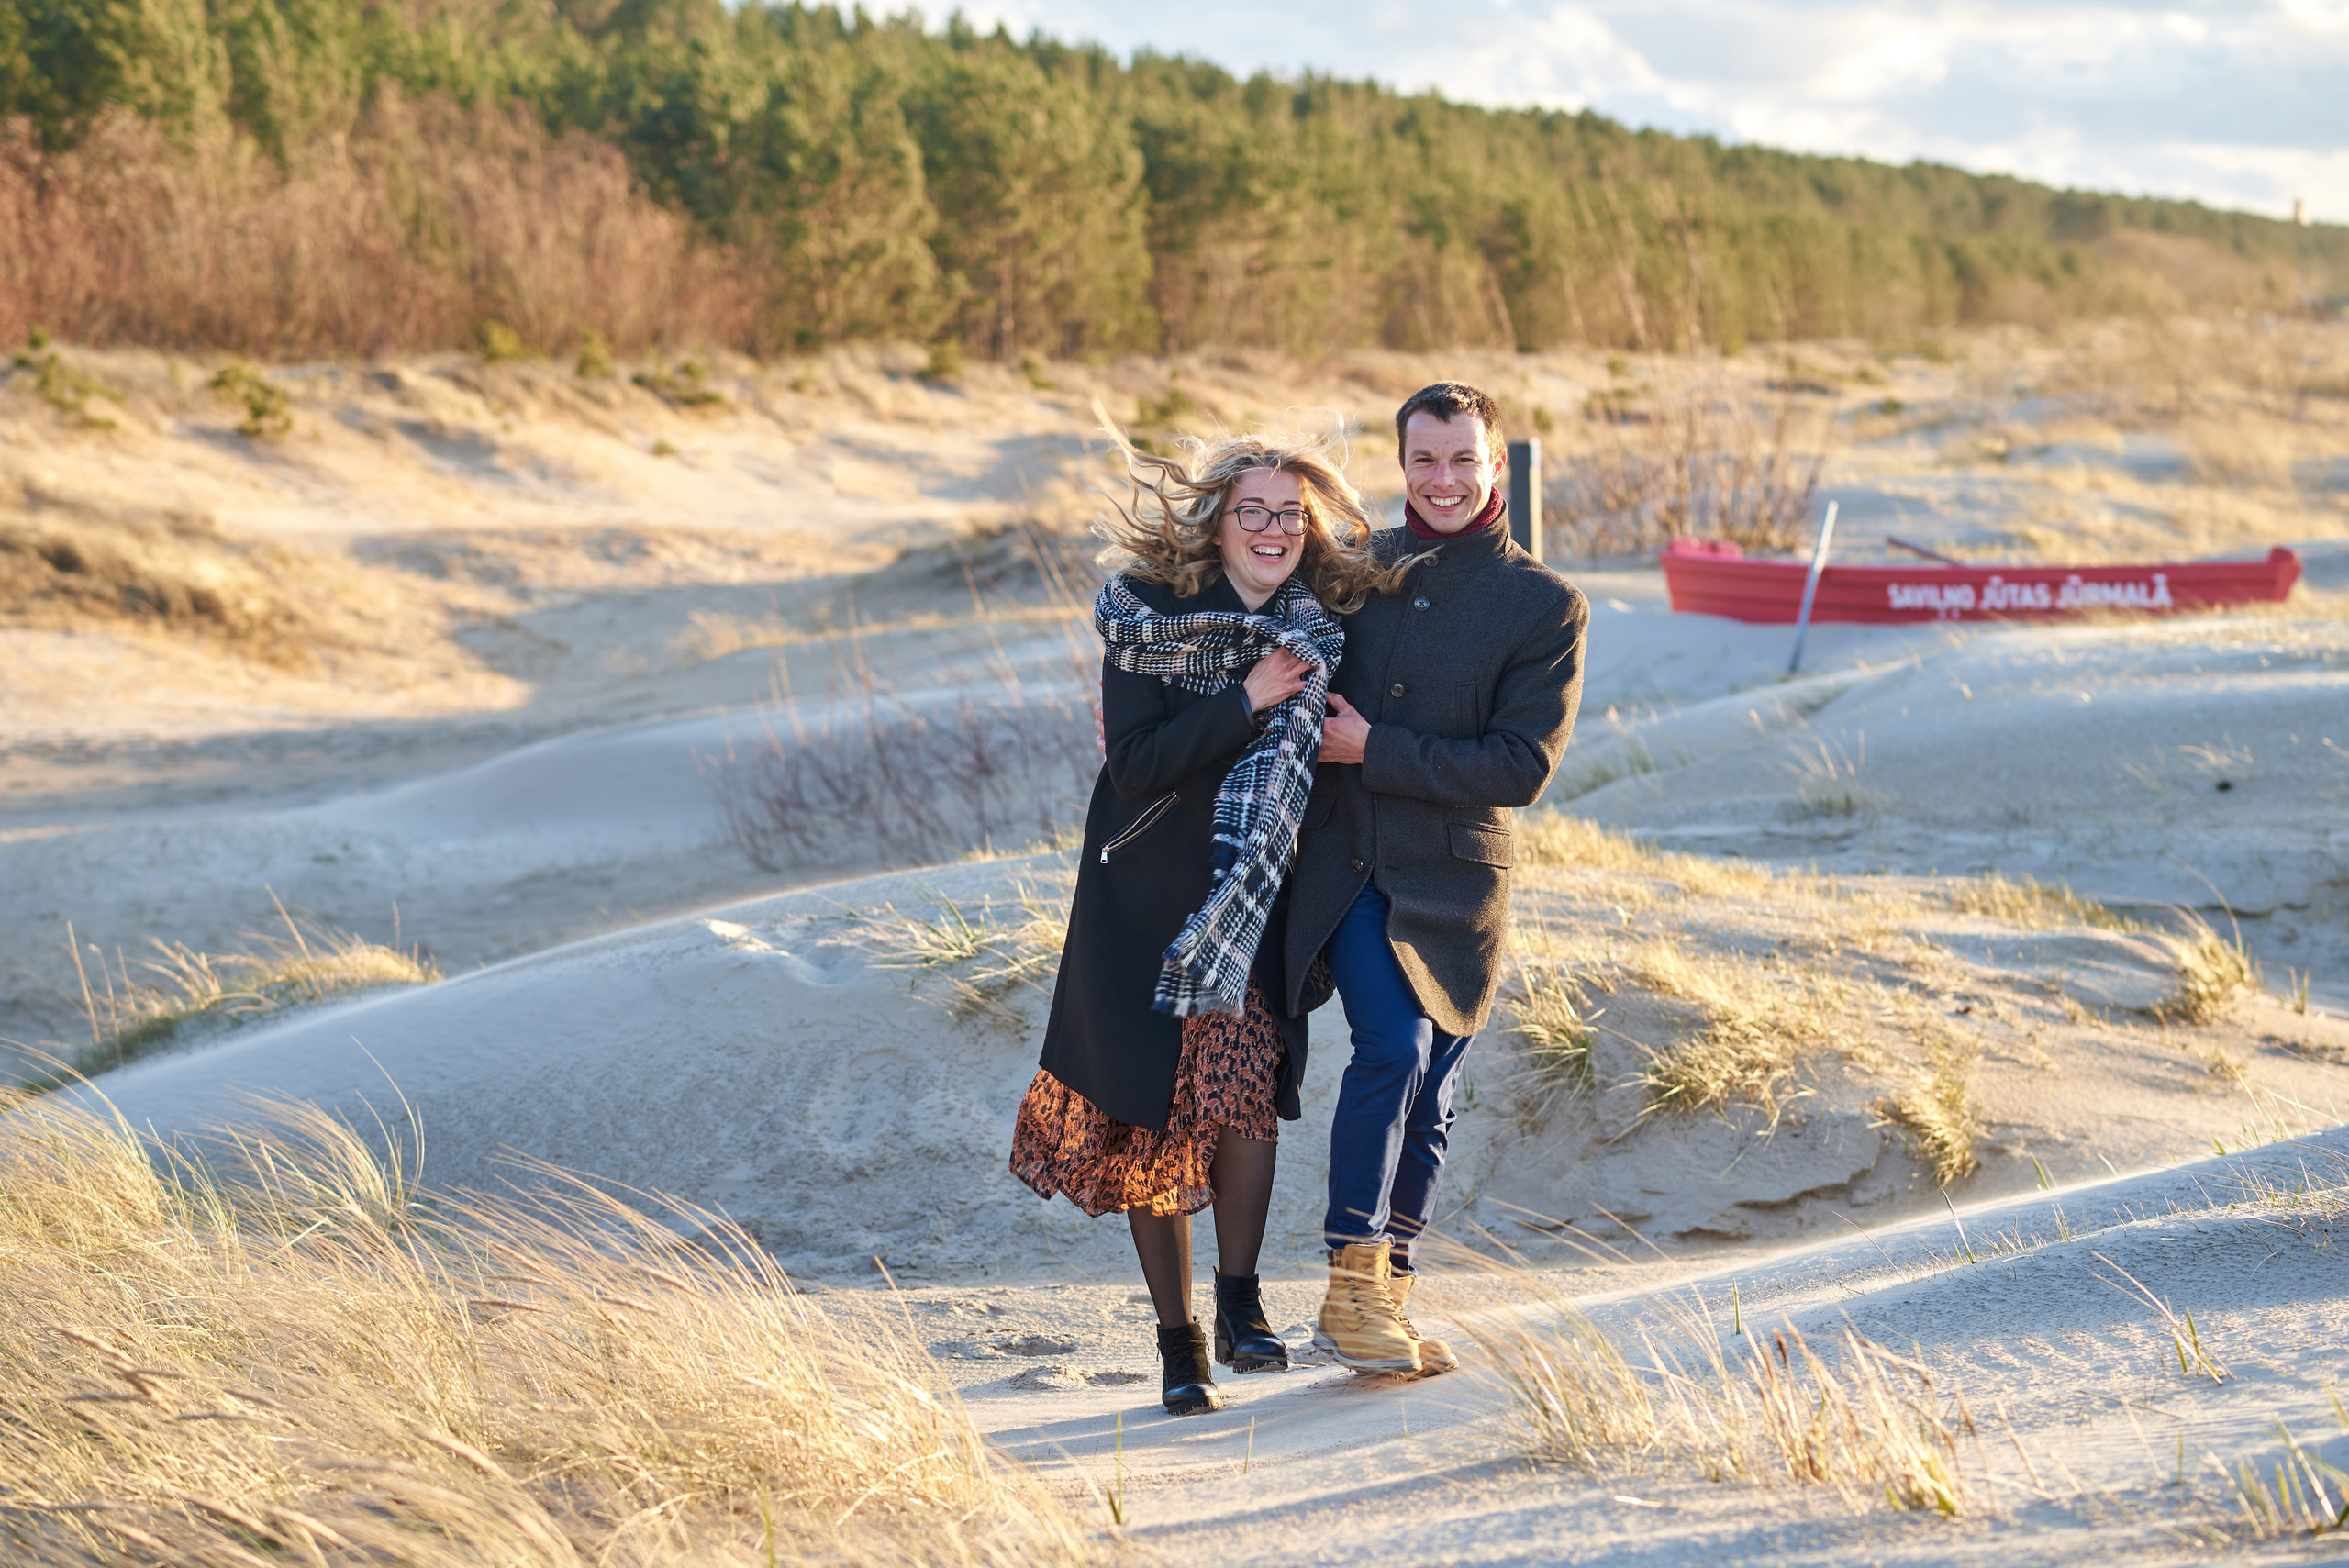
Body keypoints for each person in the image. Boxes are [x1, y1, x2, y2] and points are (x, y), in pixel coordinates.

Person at [1010, 422, 1413, 1416]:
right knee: (1151, 1115)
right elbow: (1134, 763)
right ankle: (1179, 1343)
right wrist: (1244, 698)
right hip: (1142, 897)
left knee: (1240, 1094)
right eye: (1253, 512)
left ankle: (1240, 1301)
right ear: (1218, 523)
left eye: (1290, 515)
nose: (1273, 530)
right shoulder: (1148, 614)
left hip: (1252, 898)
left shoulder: (1319, 631)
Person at [1284, 382, 1589, 1376]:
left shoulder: (1545, 605)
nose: (1443, 479)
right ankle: (1348, 1291)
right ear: (1402, 463)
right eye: (1424, 459)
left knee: (1437, 1093)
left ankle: (1391, 1291)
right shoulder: (1349, 570)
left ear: (1496, 464)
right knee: (1393, 1046)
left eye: (1463, 459)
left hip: (1458, 886)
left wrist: (1374, 746)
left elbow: (1521, 766)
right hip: (1347, 867)